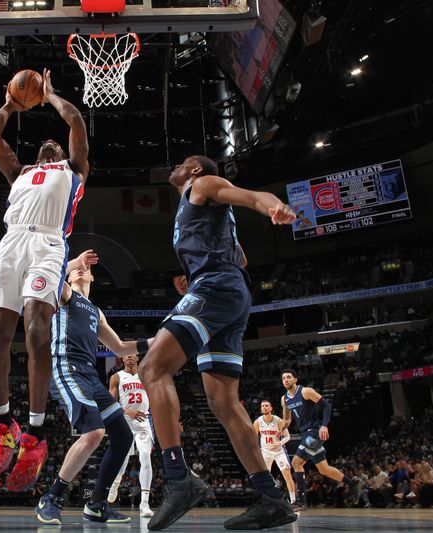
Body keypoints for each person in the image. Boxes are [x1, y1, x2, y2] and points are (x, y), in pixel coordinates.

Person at [137, 155, 298, 530]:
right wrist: (196, 276)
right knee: (223, 401)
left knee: (153, 368)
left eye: (183, 161)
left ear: (195, 169)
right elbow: (239, 256)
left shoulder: (203, 184)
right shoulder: (195, 207)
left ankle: (178, 479)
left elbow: (249, 195)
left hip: (216, 287)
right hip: (227, 290)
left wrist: (270, 204)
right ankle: (272, 499)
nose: (175, 165)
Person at [0, 68, 89, 492]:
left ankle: (36, 433)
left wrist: (50, 95)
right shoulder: (20, 172)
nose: (51, 144)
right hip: (10, 245)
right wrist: (11, 104)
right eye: (46, 144)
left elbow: (76, 122)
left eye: (55, 144)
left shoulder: (74, 170)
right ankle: (2, 422)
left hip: (48, 245)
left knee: (37, 331)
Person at [35, 257, 149, 525]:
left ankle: (97, 504)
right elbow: (48, 269)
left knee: (122, 436)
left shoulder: (96, 311)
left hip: (91, 376)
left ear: (93, 278)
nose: (80, 268)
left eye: (84, 268)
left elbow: (120, 348)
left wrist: (155, 342)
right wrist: (72, 261)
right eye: (75, 268)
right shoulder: (64, 293)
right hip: (66, 367)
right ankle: (51, 498)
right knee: (95, 431)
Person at [281, 369, 353, 511]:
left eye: (289, 377)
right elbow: (287, 419)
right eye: (283, 378)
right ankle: (352, 484)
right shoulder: (285, 399)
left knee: (296, 463)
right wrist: (280, 429)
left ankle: (301, 502)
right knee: (324, 469)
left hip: (313, 433)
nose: (286, 380)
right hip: (305, 434)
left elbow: (327, 405)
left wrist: (324, 426)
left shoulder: (305, 391)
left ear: (295, 379)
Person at [108, 354, 155, 517]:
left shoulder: (146, 375)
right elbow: (111, 403)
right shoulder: (116, 377)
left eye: (131, 354)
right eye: (125, 354)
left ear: (137, 357)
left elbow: (157, 397)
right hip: (125, 422)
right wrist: (129, 411)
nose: (128, 357)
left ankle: (144, 503)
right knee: (122, 461)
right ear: (122, 358)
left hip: (143, 422)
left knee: (145, 456)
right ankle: (115, 483)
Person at [253, 400, 295, 504]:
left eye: (267, 405)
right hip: (265, 452)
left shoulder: (278, 421)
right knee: (264, 477)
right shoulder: (258, 422)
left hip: (279, 451)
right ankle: (266, 500)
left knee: (287, 475)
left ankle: (294, 501)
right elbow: (253, 438)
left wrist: (279, 444)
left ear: (271, 408)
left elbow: (288, 436)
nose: (264, 407)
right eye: (262, 406)